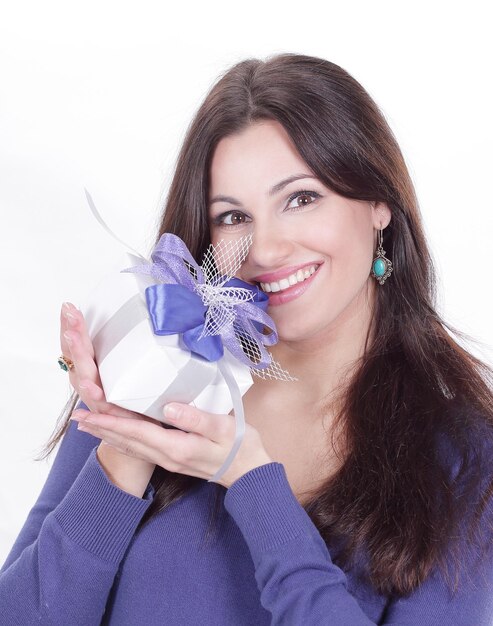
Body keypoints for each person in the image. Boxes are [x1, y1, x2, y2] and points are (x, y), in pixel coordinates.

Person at [1, 52, 493, 626]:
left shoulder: (466, 461)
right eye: (233, 216)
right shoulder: (150, 376)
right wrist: (128, 444)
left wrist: (255, 485)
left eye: (301, 199)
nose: (265, 249)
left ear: (379, 205)